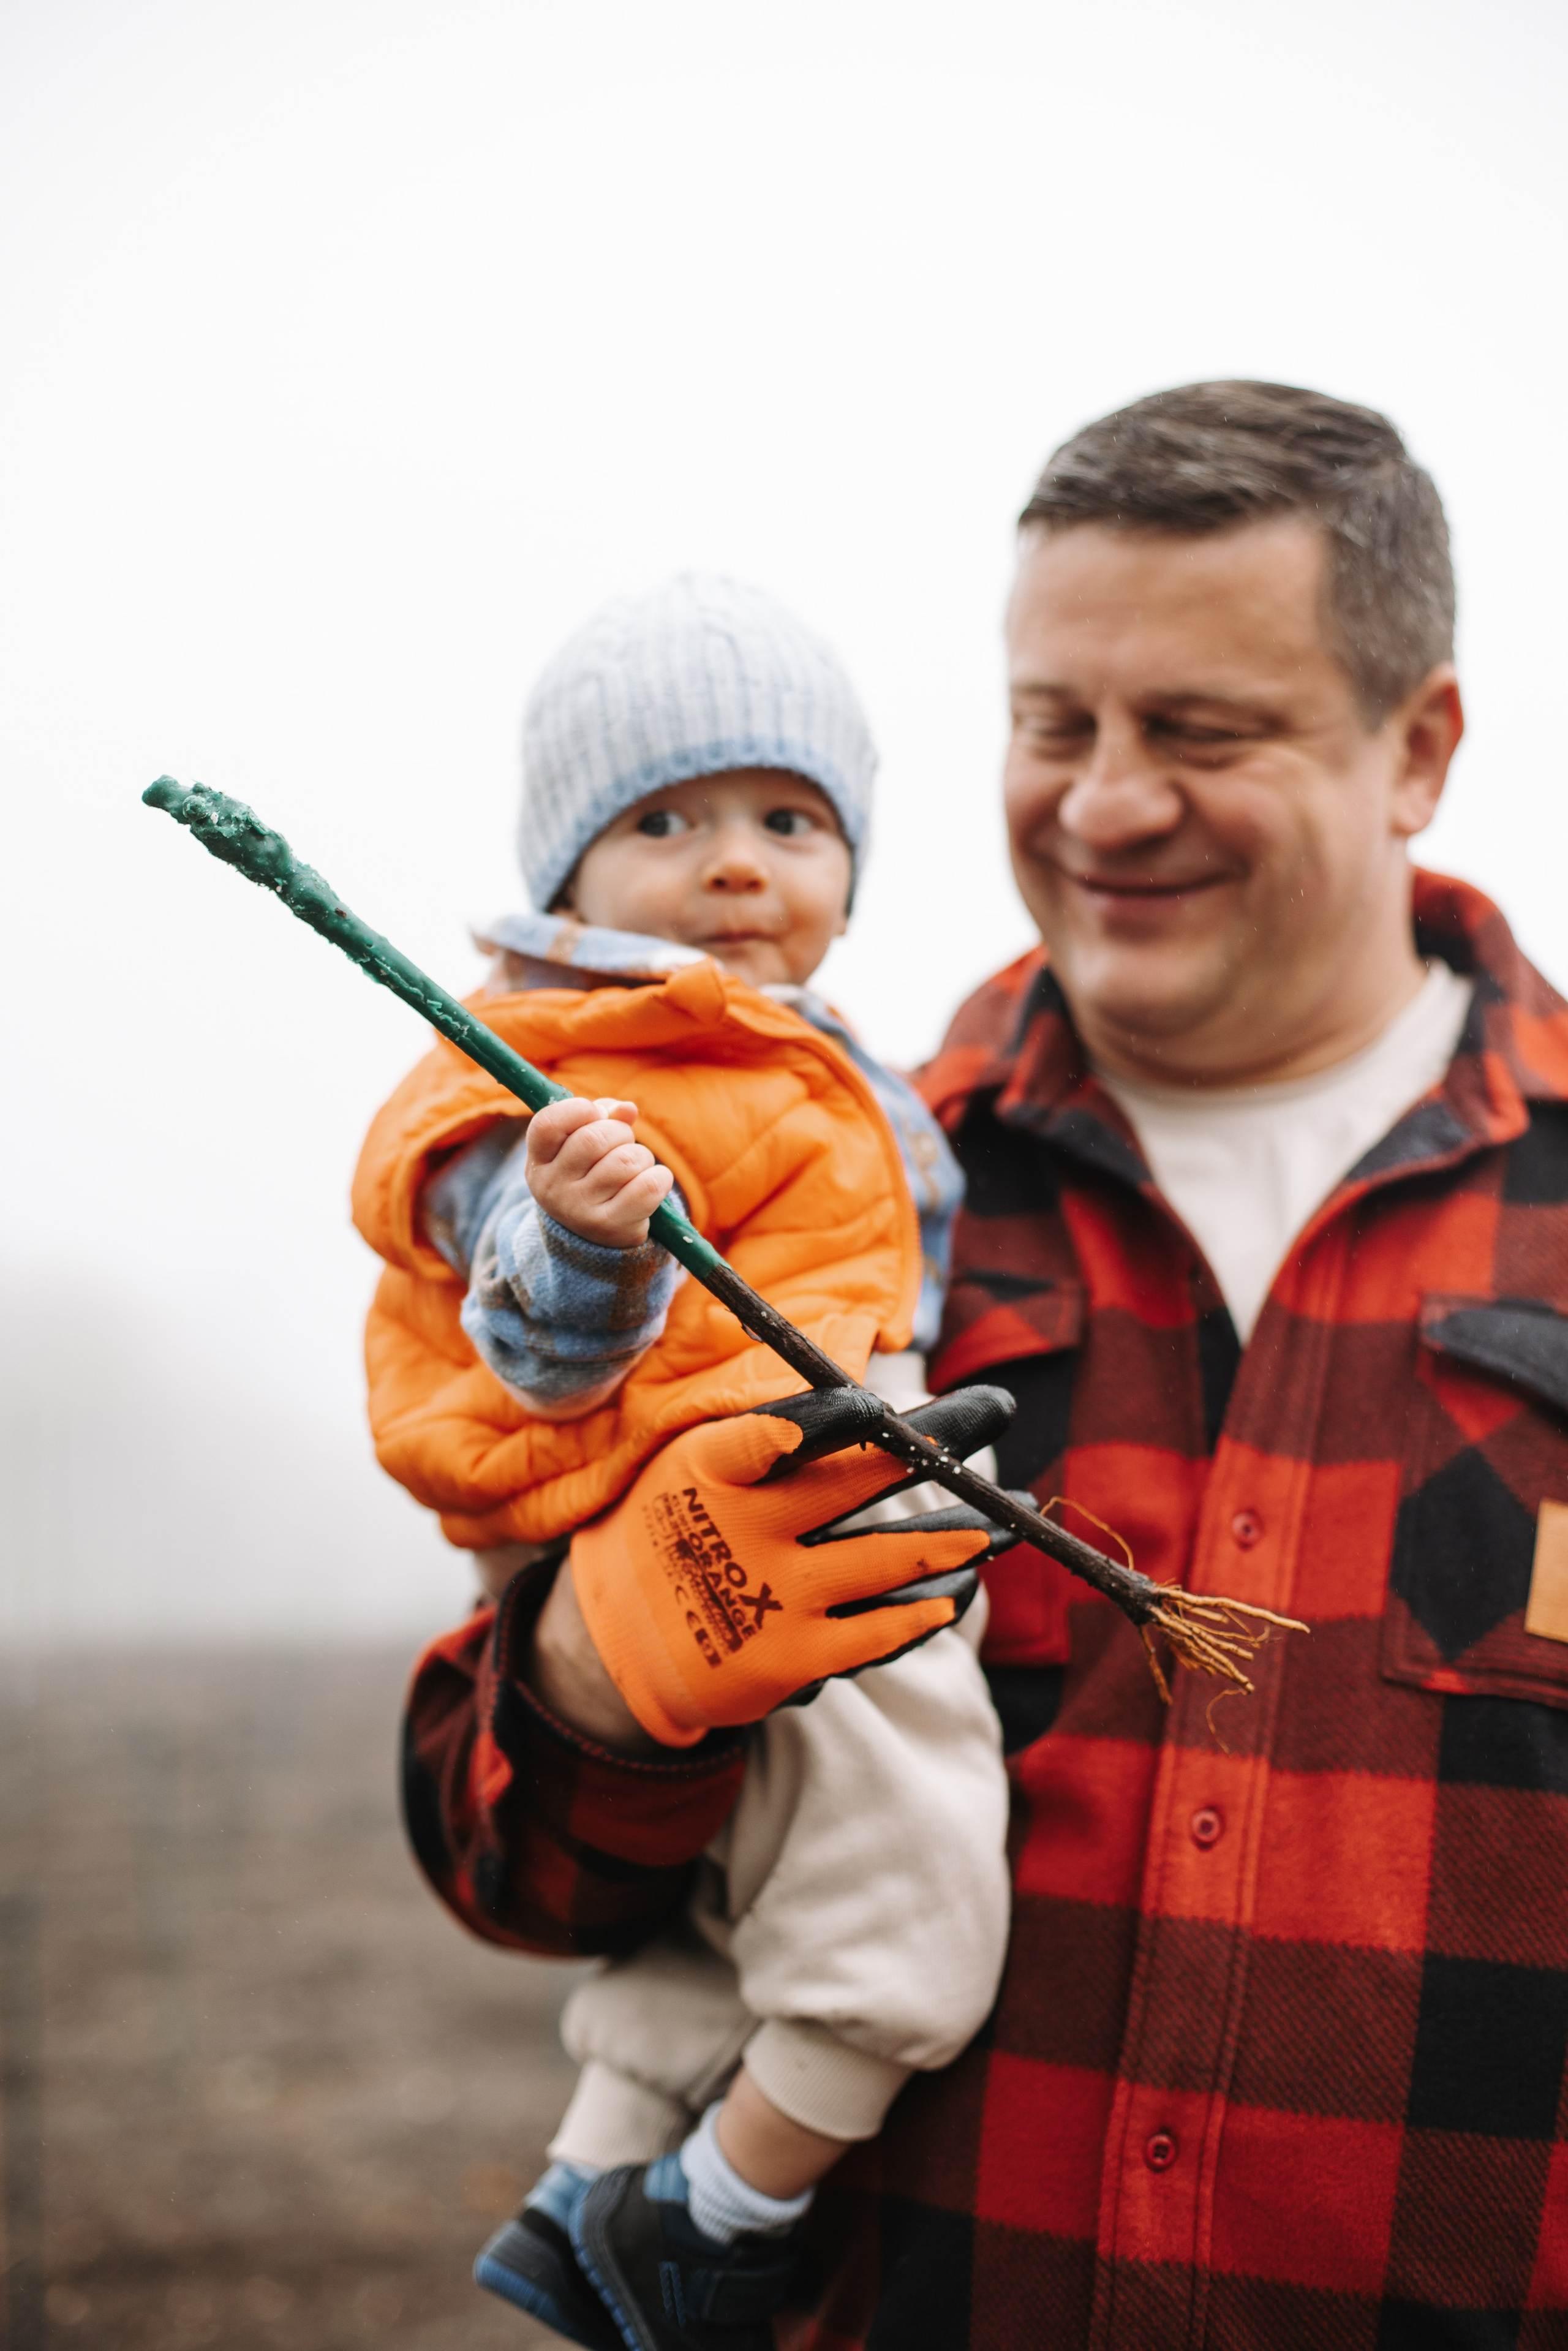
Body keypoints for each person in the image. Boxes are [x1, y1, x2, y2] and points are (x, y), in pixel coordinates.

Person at [401, 385, 1568, 2347]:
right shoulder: (833, 1204)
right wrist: (607, 1672)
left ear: (1417, 747)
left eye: (1201, 729)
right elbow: (505, 1871)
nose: (1105, 801)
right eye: (1058, 724)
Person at [352, 575, 1012, 2350]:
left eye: (790, 820)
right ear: (565, 875)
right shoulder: (574, 1068)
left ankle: (588, 2190)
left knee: (725, 1904)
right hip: (736, 1516)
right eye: (669, 821)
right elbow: (530, 1332)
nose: (739, 865)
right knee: (917, 1880)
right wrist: (595, 1242)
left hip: (744, 1502)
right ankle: (719, 2213)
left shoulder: (779, 1049)